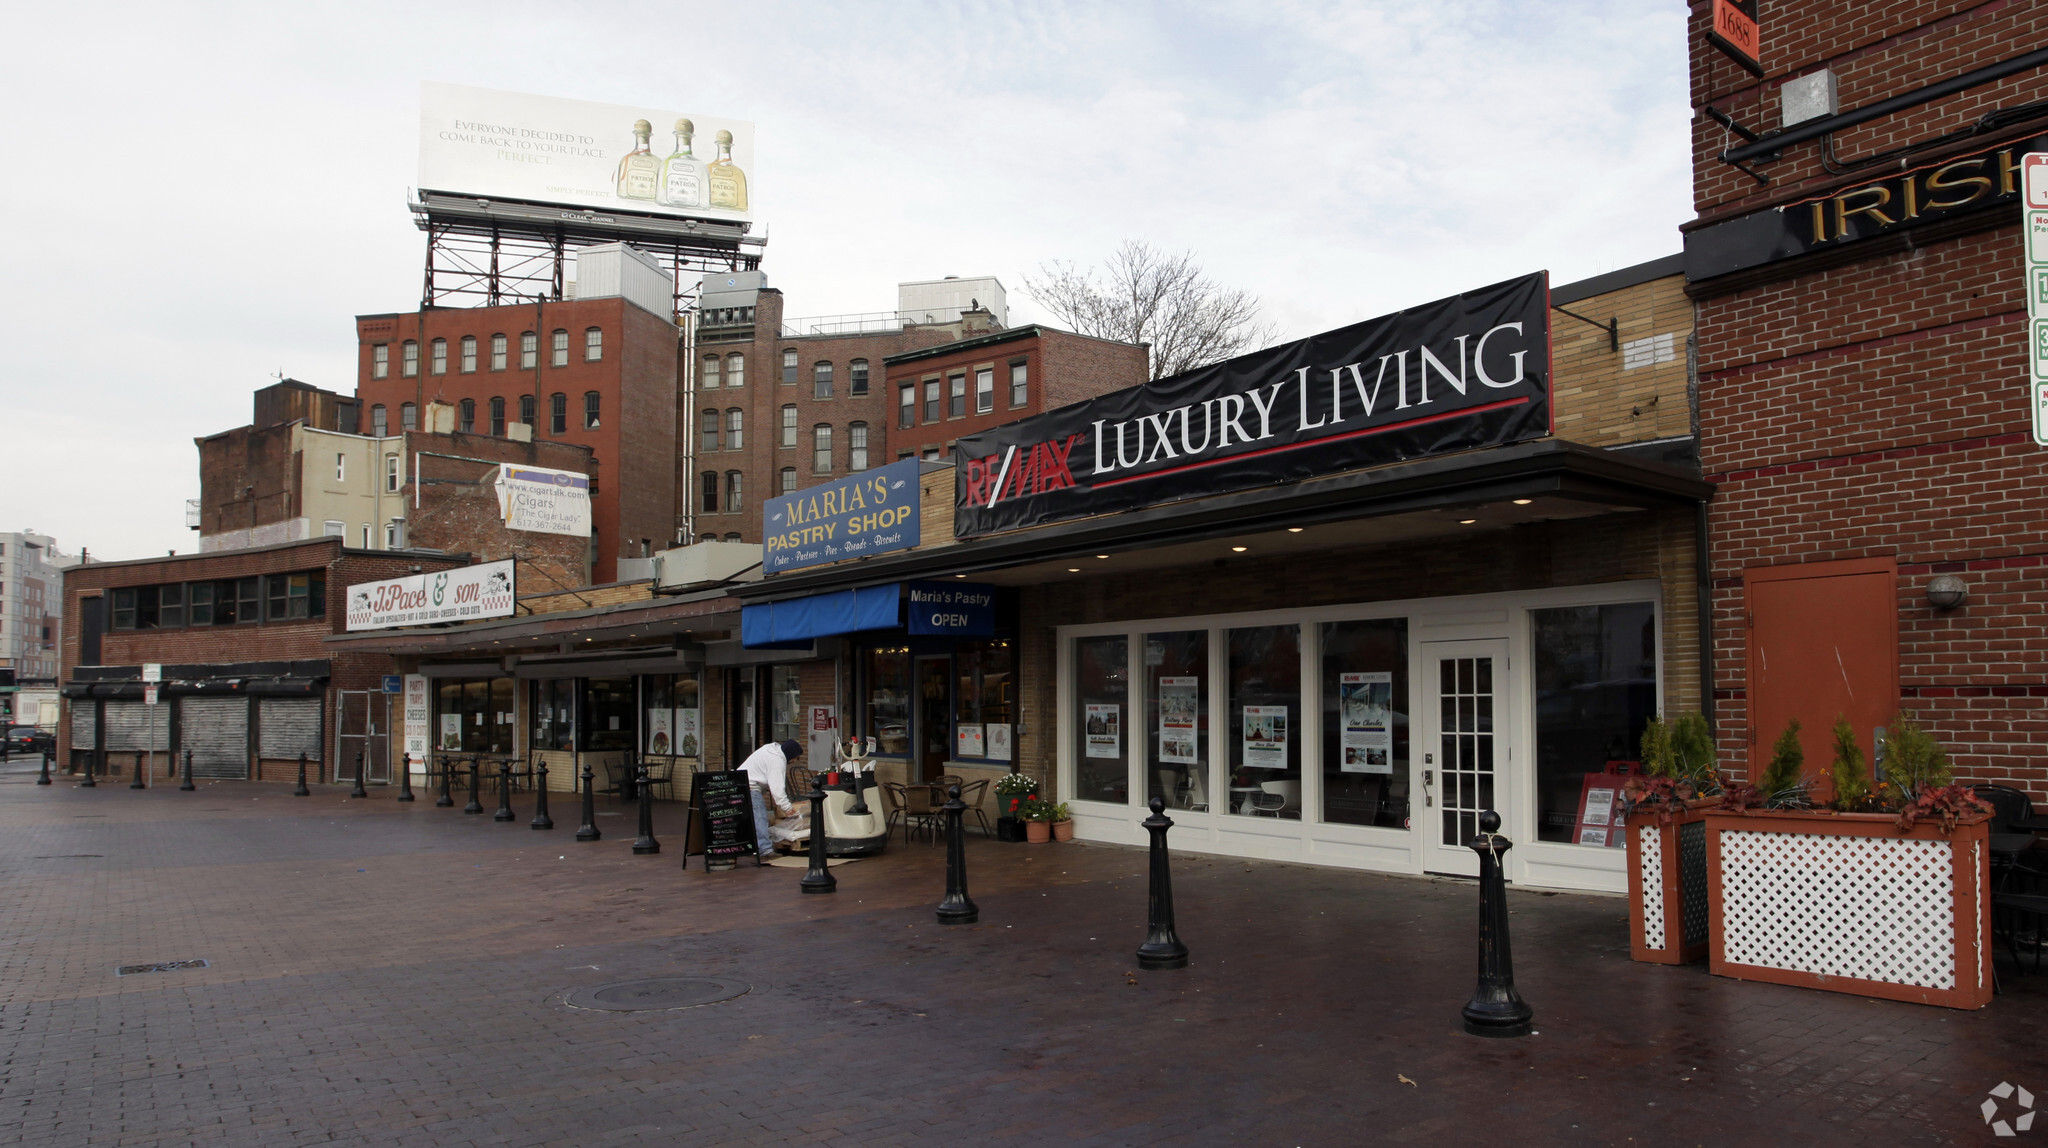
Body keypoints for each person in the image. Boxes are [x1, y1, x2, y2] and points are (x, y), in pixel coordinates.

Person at [738, 738, 802, 856]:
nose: (794, 761)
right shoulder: (778, 760)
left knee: (748, 818)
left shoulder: (771, 749)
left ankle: (748, 845)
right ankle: (765, 850)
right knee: (760, 817)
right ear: (790, 754)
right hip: (750, 787)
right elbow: (777, 788)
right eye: (796, 757)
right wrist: (787, 807)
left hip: (740, 783)